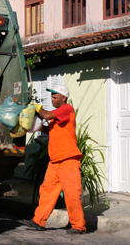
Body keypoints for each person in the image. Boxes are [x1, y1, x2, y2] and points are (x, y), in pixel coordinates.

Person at [21, 85, 86, 234]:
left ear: (64, 98)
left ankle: (78, 226)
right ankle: (39, 221)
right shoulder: (57, 114)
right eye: (51, 96)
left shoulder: (67, 109)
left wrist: (37, 107)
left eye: (55, 96)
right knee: (47, 192)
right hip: (55, 160)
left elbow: (47, 116)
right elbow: (51, 129)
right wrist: (37, 127)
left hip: (68, 159)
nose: (52, 98)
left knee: (72, 194)